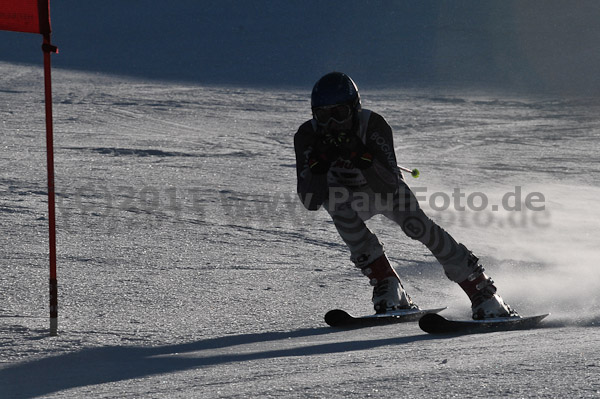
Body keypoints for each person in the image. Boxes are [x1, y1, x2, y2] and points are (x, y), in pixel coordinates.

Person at [293, 72, 518, 319]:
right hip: (347, 196)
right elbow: (310, 201)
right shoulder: (307, 135)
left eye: (339, 114)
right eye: (323, 116)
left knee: (417, 226)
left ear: (355, 109)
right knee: (336, 205)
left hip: (383, 189)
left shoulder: (373, 124)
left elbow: (389, 188)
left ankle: (481, 288)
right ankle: (387, 284)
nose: (331, 124)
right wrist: (317, 166)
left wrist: (361, 155)